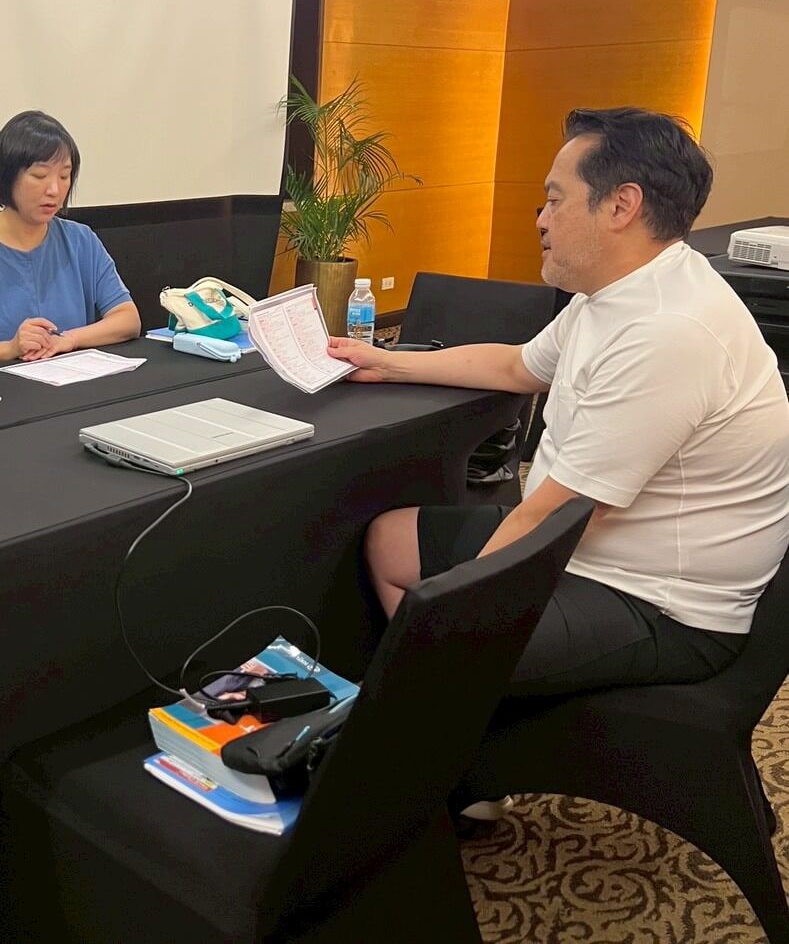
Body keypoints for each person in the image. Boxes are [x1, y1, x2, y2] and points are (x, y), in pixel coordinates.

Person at [332, 107, 789, 699]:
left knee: (442, 631)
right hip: (587, 545)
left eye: (554, 200)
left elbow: (558, 514)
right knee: (389, 541)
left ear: (621, 206)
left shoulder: (669, 330)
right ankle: (460, 711)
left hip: (657, 601)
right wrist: (388, 363)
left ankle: (433, 717)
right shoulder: (617, 291)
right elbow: (518, 365)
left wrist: (454, 611)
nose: (541, 219)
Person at [0, 111, 140, 365]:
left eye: (64, 176)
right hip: (0, 385)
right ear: (7, 177)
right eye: (39, 176)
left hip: (73, 380)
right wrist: (11, 348)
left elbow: (128, 319)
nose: (54, 190)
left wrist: (69, 339)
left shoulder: (80, 240)